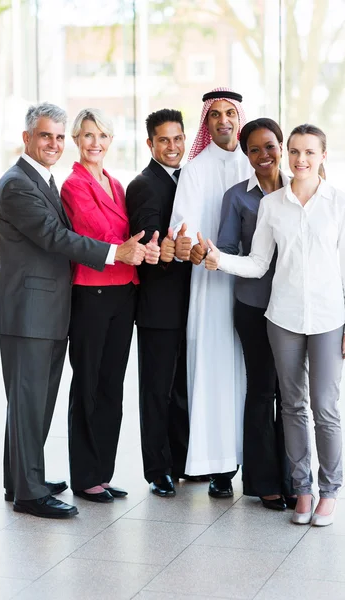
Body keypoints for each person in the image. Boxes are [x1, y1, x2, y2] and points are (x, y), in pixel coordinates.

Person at [0, 102, 147, 519]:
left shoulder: (40, 180)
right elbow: (55, 237)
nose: (54, 144)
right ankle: (29, 492)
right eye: (46, 136)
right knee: (28, 401)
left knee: (34, 402)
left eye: (59, 137)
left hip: (46, 308)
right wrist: (117, 252)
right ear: (26, 137)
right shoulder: (16, 185)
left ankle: (21, 479)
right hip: (30, 310)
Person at [206, 123, 345, 525]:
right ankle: (303, 490)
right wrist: (217, 258)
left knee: (324, 407)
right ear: (288, 155)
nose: (301, 159)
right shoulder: (273, 205)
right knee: (292, 406)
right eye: (295, 152)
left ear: (323, 156)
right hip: (283, 318)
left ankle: (330, 490)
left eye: (310, 152)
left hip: (328, 319)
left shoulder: (339, 205)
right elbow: (257, 264)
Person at [60, 108, 159, 503]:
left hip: (123, 293)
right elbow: (94, 233)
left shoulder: (117, 185)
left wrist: (144, 248)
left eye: (102, 135)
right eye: (87, 135)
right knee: (87, 383)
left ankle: (102, 472)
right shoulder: (74, 185)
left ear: (111, 140)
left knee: (110, 387)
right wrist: (130, 247)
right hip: (92, 293)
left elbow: (128, 237)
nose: (95, 143)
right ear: (76, 140)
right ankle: (84, 477)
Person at [169, 87, 252, 498]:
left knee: (253, 378)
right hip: (209, 286)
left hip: (254, 287)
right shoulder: (196, 168)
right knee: (214, 373)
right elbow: (180, 225)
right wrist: (189, 243)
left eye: (229, 113)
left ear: (239, 118)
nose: (223, 121)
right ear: (207, 122)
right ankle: (219, 467)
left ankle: (254, 466)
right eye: (215, 114)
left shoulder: (256, 164)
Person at [217, 118, 295, 511]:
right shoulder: (238, 197)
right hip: (254, 307)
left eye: (270, 146)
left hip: (295, 309)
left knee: (293, 395)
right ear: (246, 155)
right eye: (254, 150)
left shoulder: (301, 190)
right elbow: (226, 248)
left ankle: (294, 478)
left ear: (282, 146)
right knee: (264, 390)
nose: (264, 155)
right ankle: (264, 482)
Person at [126, 109, 193, 497]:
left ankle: (181, 460)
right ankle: (158, 469)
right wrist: (164, 249)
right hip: (158, 306)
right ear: (150, 144)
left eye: (178, 139)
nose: (173, 147)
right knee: (156, 389)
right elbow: (148, 242)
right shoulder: (144, 185)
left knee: (181, 386)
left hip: (187, 301)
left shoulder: (187, 178)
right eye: (164, 140)